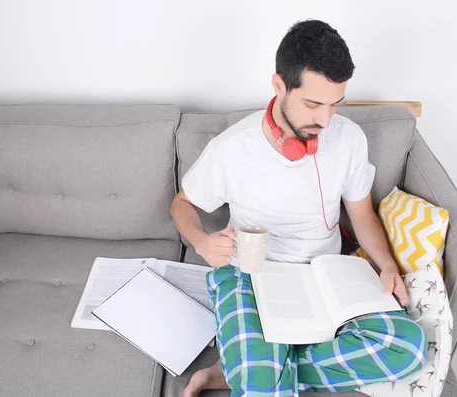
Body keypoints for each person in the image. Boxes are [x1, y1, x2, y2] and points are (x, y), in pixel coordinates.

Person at [170, 20, 426, 397]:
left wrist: (387, 263)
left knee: (408, 347)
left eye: (335, 104)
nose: (325, 120)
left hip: (326, 277)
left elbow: (362, 215)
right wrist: (202, 242)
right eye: (313, 104)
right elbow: (182, 203)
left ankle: (244, 365)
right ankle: (255, 366)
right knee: (261, 389)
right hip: (250, 276)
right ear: (279, 86)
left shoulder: (350, 139)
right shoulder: (232, 148)